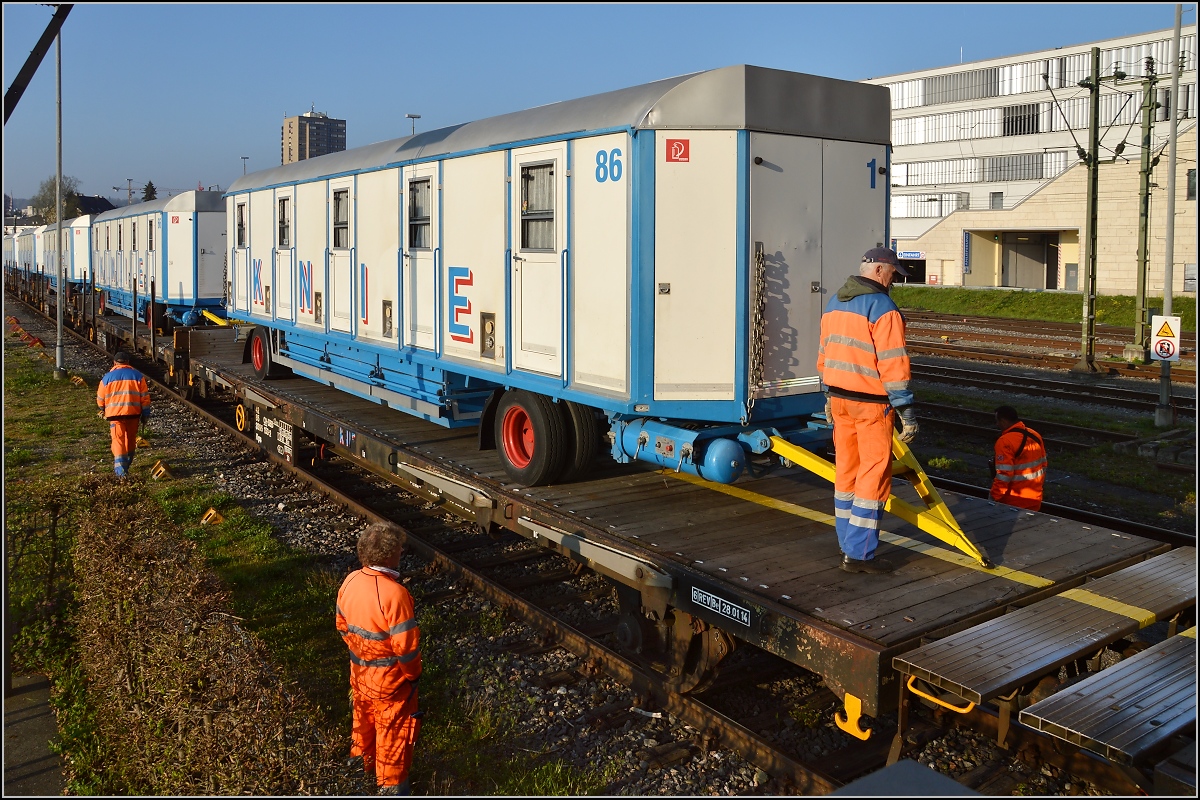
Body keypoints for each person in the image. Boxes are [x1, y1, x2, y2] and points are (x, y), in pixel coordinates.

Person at [817, 247, 918, 575]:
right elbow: (893, 364)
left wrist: (829, 396)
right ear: (879, 270)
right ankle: (859, 554)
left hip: (840, 402)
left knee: (846, 472)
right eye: (894, 274)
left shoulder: (835, 303)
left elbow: (824, 355)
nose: (895, 281)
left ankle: (847, 544)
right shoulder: (883, 308)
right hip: (871, 405)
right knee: (873, 475)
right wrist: (906, 410)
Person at [336, 522, 423, 796]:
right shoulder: (394, 594)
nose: (401, 552)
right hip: (392, 687)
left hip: (360, 677)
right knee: (393, 742)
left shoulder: (350, 581)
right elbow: (406, 648)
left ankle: (356, 783)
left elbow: (342, 626)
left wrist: (361, 658)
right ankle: (391, 789)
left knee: (362, 732)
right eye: (399, 548)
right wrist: (412, 677)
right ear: (388, 554)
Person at [96, 350, 151, 478]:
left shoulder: (107, 378)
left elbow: (100, 400)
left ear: (115, 363)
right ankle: (128, 462)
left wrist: (104, 409)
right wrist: (146, 413)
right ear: (128, 362)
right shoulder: (137, 376)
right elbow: (145, 398)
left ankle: (121, 472)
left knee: (118, 440)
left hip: (115, 416)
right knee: (130, 439)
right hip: (133, 414)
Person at [990, 406, 1047, 511]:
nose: (997, 424)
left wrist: (994, 496)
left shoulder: (1005, 441)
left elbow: (1004, 474)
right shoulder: (1035, 435)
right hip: (1035, 498)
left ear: (1003, 421)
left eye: (997, 421)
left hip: (1013, 500)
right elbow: (1043, 465)